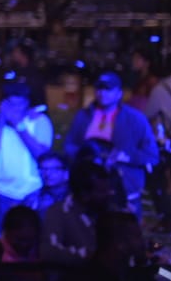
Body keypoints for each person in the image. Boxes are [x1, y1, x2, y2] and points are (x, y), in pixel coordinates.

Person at [65, 69, 159, 208]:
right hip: (88, 187)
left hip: (124, 188)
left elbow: (151, 155)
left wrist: (127, 157)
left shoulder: (135, 119)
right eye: (99, 88)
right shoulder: (83, 116)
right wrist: (85, 157)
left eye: (108, 89)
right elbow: (69, 145)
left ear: (119, 93)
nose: (102, 93)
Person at [0, 80, 53, 224]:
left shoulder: (40, 121)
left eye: (19, 104)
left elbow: (42, 155)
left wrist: (18, 125)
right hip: (2, 191)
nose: (14, 109)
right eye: (10, 104)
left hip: (32, 191)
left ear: (27, 103)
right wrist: (1, 124)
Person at [42, 159, 119, 264]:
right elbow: (50, 252)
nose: (109, 194)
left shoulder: (113, 212)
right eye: (102, 191)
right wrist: (90, 255)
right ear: (84, 195)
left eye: (109, 189)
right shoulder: (58, 212)